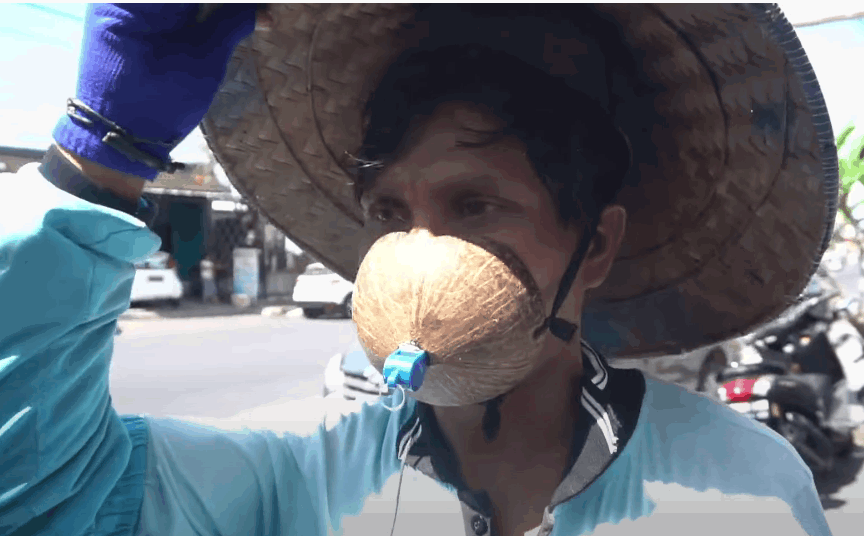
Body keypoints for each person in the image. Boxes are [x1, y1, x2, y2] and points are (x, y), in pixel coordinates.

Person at [0, 4, 840, 536]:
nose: (417, 253)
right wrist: (95, 160)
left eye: (476, 205)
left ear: (599, 244)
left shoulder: (743, 495)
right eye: (392, 214)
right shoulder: (295, 476)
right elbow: (43, 494)